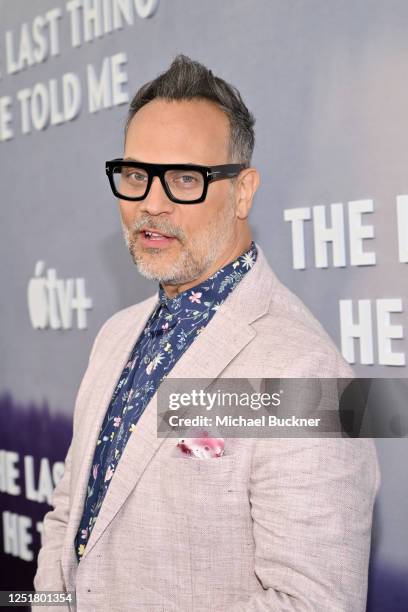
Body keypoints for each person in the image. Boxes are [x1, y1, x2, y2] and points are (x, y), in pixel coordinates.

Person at [34, 54, 379, 611]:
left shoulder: (305, 370)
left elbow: (313, 603)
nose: (150, 202)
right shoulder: (116, 335)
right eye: (134, 175)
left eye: (185, 179)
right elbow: (69, 512)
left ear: (243, 192)